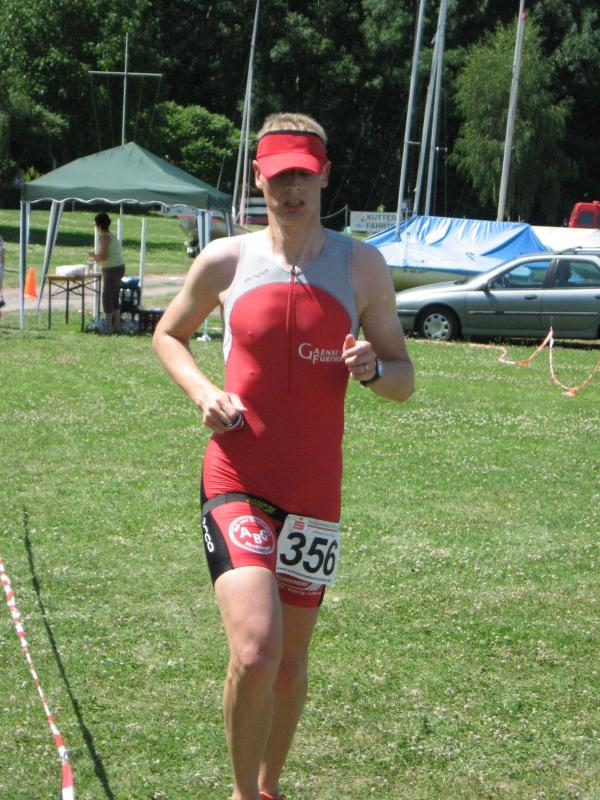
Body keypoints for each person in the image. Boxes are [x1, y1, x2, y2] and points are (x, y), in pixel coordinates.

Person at [152, 112, 415, 800]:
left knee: (290, 665)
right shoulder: (226, 261)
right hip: (237, 477)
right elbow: (168, 334)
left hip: (315, 498)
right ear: (258, 179)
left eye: (303, 174)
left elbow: (404, 377)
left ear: (324, 176)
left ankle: (269, 789)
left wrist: (373, 371)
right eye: (277, 176)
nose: (291, 189)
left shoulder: (361, 267)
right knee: (255, 650)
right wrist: (204, 391)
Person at [88, 212, 125, 333]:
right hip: (118, 267)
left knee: (106, 297)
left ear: (98, 225)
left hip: (112, 269)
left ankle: (109, 326)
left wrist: (93, 255)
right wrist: (97, 257)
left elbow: (104, 256)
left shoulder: (104, 237)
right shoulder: (110, 235)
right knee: (114, 297)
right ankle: (117, 325)